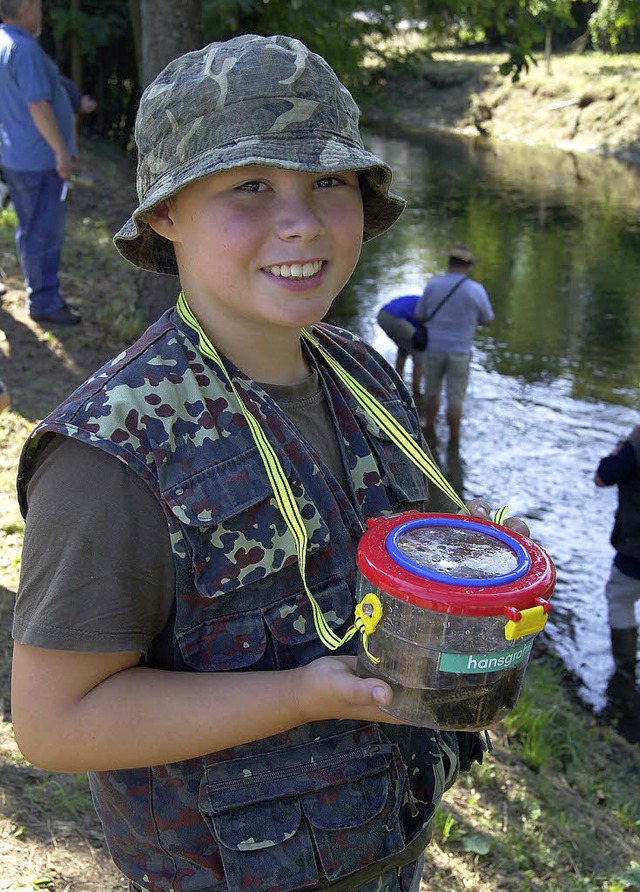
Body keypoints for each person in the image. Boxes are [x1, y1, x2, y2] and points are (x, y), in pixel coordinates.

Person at [12, 36, 528, 892]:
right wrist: (298, 695)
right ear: (166, 214)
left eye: (330, 181)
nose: (303, 220)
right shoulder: (111, 455)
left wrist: (472, 575)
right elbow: (54, 724)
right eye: (250, 186)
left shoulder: (358, 371)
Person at [0, 0, 81, 326]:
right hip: (38, 161)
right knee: (43, 232)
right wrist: (61, 152)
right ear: (29, 8)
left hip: (17, 155)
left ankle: (42, 294)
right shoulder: (24, 49)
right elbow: (38, 105)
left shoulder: (4, 43)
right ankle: (45, 301)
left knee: (31, 228)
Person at [415, 245, 493, 445]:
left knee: (431, 392)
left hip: (434, 348)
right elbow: (488, 319)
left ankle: (429, 433)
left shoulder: (433, 285)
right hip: (460, 351)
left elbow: (420, 315)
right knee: (455, 399)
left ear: (449, 264)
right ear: (468, 266)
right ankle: (454, 441)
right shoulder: (476, 290)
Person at [595, 424, 640, 682]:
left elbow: (603, 476)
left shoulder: (636, 445)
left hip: (634, 554)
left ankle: (625, 672)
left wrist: (624, 444)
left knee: (621, 600)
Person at [376, 294, 425, 399]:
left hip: (382, 315)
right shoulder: (429, 306)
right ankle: (416, 392)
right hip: (394, 318)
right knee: (420, 353)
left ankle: (397, 381)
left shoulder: (420, 300)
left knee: (404, 348)